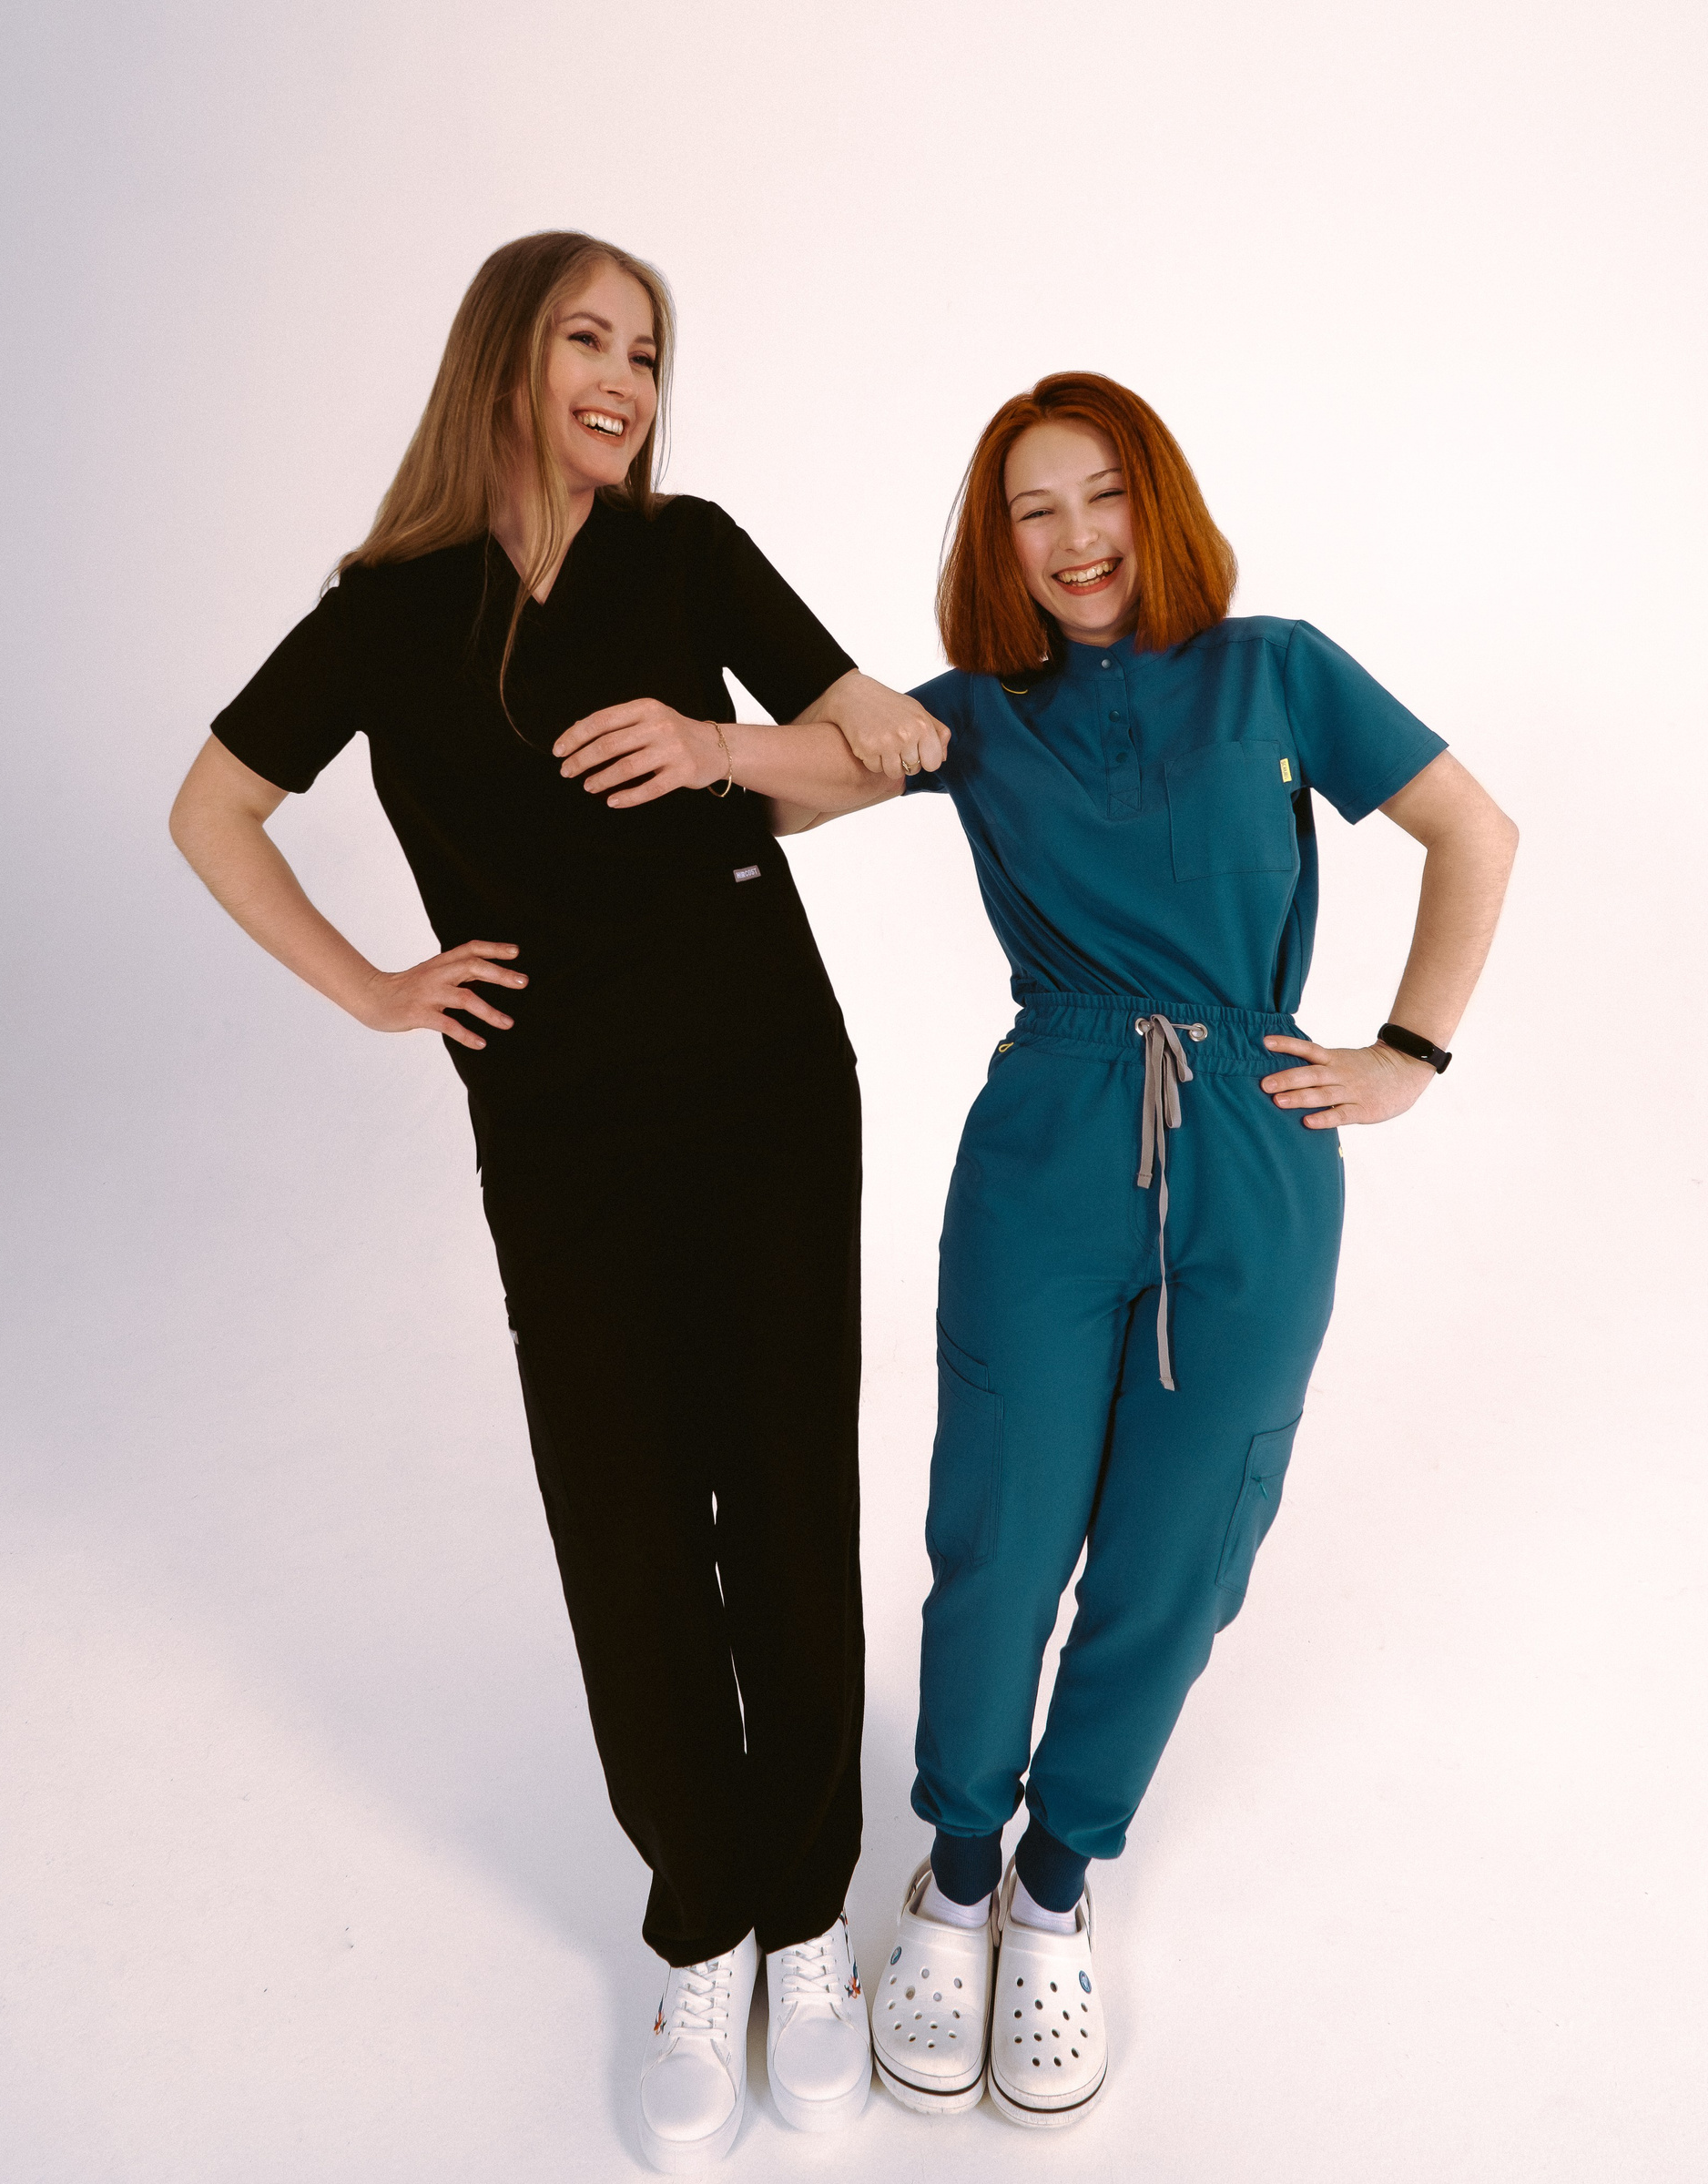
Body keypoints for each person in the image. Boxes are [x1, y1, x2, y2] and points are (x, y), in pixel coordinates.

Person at [567, 369, 1518, 2132]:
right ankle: (952, 1877)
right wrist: (713, 742)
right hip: (1053, 1134)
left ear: (1158, 503)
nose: (1076, 538)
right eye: (1033, 510)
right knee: (1000, 1532)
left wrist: (1408, 1052)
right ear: (996, 545)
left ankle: (1059, 1884)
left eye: (1103, 496)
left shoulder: (1280, 670)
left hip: (1258, 1134)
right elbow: (816, 772)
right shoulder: (979, 715)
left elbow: (1475, 827)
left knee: (1186, 1545)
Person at [168, 230, 948, 2173]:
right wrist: (377, 986)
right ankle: (702, 1922)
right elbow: (213, 809)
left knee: (784, 1490)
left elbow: (896, 746)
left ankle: (808, 1919)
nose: (626, 378)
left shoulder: (690, 557)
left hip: (770, 1087)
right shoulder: (386, 609)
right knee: (623, 1509)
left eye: (650, 352)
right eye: (589, 338)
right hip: (559, 1121)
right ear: (501, 360)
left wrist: (717, 745)